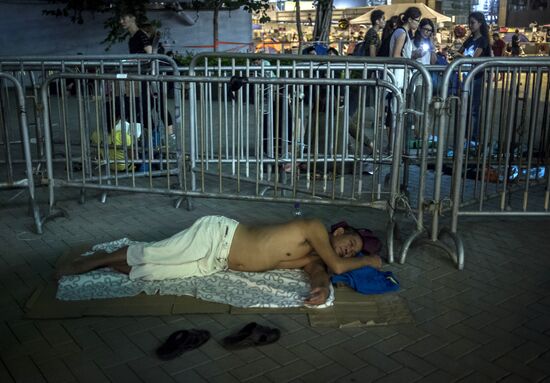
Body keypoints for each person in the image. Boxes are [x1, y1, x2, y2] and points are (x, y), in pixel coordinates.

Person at [56, 216, 383, 306]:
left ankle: (109, 264)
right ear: (339, 231)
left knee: (152, 272)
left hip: (217, 262)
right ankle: (94, 260)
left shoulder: (314, 257)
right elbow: (339, 267)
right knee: (154, 252)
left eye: (353, 252)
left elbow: (322, 273)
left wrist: (321, 290)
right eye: (350, 243)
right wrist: (369, 261)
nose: (347, 252)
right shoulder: (313, 227)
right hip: (218, 236)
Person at [456, 12, 492, 142]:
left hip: (477, 78)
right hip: (465, 77)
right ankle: (464, 137)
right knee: (464, 108)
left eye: (473, 22)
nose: (470, 25)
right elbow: (459, 52)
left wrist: (460, 56)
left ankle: (473, 139)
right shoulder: (470, 39)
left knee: (474, 109)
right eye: (469, 22)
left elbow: (474, 58)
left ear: (480, 23)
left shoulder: (483, 40)